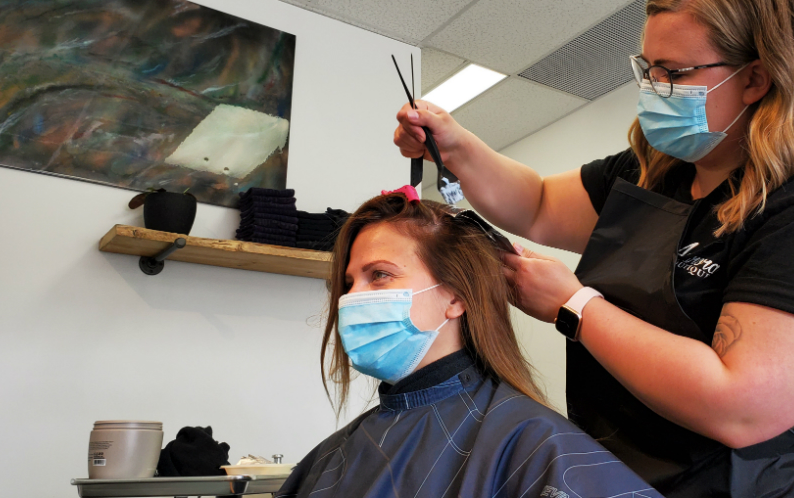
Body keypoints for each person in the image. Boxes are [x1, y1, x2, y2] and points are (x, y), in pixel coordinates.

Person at [392, 0, 794, 498]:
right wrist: (455, 147)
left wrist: (574, 307)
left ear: (756, 78)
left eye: (673, 73)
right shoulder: (654, 174)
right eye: (647, 69)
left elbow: (739, 406)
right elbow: (536, 206)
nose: (652, 88)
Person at [275, 191, 662, 498]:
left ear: (456, 297)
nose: (351, 298)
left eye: (378, 275)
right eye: (348, 283)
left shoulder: (532, 443)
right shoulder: (330, 456)